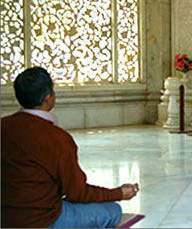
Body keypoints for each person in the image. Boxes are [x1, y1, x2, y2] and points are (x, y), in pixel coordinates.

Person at [1, 67, 140, 228]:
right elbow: (77, 192)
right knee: (113, 210)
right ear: (48, 97)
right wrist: (119, 193)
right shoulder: (57, 138)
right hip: (44, 220)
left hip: (4, 218)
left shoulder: (3, 126)